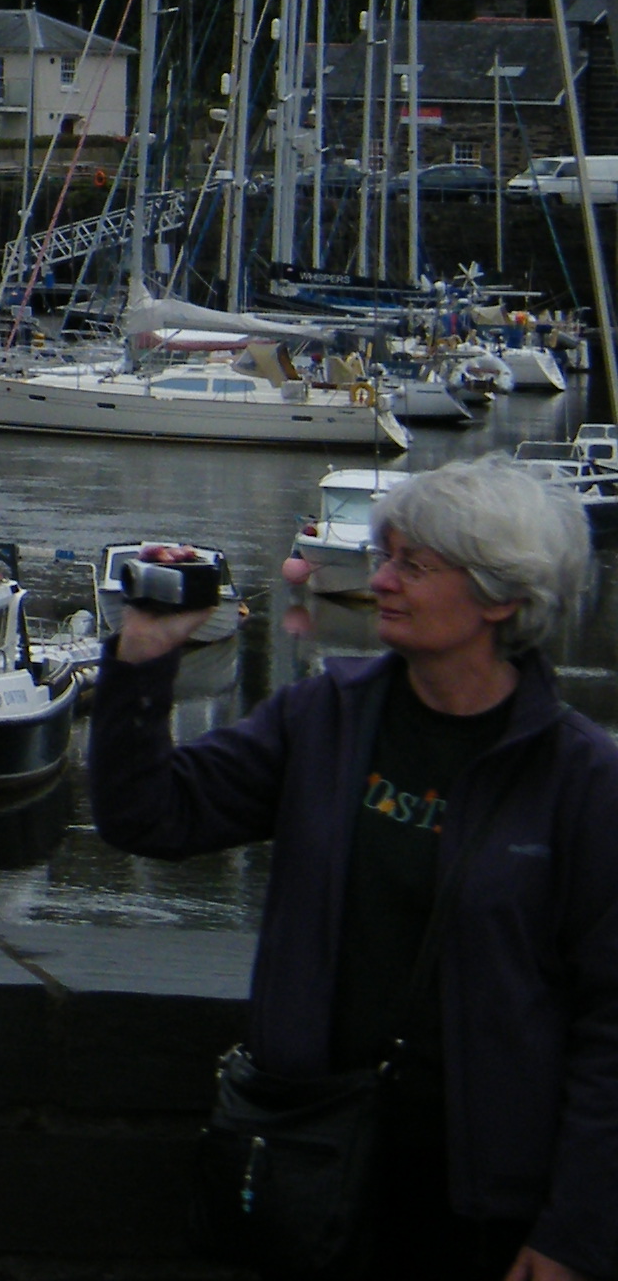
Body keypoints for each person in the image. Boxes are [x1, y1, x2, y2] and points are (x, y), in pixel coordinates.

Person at [90, 452, 618, 1281]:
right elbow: (149, 815)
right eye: (385, 556)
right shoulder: (323, 717)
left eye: (415, 566)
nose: (383, 581)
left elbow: (610, 1022)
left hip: (486, 1204)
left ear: (501, 597)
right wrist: (143, 654)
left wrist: (575, 1230)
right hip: (313, 1167)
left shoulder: (581, 778)